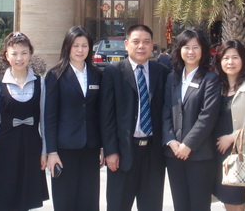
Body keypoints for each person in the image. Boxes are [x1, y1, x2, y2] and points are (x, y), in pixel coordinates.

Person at [100, 24, 170, 211]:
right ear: (126, 44)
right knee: (118, 205)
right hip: (123, 153)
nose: (141, 46)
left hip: (153, 154)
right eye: (136, 42)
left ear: (152, 45)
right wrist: (111, 151)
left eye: (146, 42)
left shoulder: (162, 72)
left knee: (151, 206)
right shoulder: (113, 72)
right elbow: (106, 116)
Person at [0, 32, 49, 210]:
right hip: (4, 148)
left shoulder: (40, 83)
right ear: (7, 56)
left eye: (24, 53)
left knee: (27, 198)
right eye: (14, 53)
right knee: (4, 196)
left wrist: (44, 152)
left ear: (30, 54)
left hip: (31, 147)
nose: (19, 58)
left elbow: (44, 122)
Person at [45, 26, 103, 211]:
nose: (80, 50)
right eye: (75, 45)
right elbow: (49, 117)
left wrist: (103, 146)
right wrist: (51, 152)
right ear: (67, 47)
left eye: (84, 45)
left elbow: (100, 113)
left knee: (89, 199)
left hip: (90, 148)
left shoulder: (97, 74)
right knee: (65, 199)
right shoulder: (55, 75)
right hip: (64, 149)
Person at [162, 29, 221, 211]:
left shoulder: (210, 79)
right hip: (174, 154)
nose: (191, 52)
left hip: (200, 154)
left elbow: (207, 116)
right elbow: (166, 110)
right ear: (179, 49)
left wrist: (188, 145)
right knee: (180, 204)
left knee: (199, 205)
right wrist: (171, 140)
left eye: (196, 47)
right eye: (186, 47)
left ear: (203, 50)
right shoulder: (172, 77)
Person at [213, 40, 245, 211]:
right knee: (225, 199)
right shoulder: (216, 87)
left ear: (243, 60)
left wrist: (231, 138)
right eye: (226, 58)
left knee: (237, 201)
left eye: (235, 57)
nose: (230, 62)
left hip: (238, 154)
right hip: (217, 154)